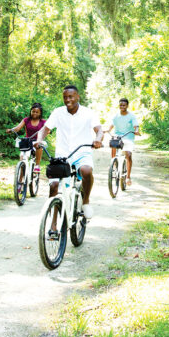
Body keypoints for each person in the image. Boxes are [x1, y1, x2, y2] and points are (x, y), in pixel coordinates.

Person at [37, 85, 103, 233]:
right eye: (65, 97)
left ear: (77, 97)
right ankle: (54, 224)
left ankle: (85, 201)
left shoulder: (88, 113)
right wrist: (39, 139)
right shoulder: (58, 112)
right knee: (54, 186)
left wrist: (98, 140)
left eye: (71, 97)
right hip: (62, 155)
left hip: (82, 152)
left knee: (86, 171)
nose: (68, 100)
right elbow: (45, 129)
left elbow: (99, 130)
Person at [107, 97, 140, 185]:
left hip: (128, 136)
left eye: (124, 105)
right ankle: (113, 165)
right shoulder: (116, 116)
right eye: (120, 105)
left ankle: (128, 177)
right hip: (118, 136)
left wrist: (136, 130)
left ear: (127, 106)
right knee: (113, 143)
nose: (122, 106)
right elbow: (111, 124)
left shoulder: (131, 116)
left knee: (128, 155)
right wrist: (108, 130)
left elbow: (136, 125)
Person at [7, 102, 46, 172]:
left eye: (37, 112)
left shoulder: (43, 122)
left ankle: (37, 165)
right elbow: (17, 128)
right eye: (33, 111)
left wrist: (43, 136)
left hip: (37, 140)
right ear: (30, 111)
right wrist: (11, 130)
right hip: (27, 141)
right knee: (22, 158)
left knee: (39, 145)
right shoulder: (26, 120)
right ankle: (20, 180)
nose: (35, 113)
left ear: (40, 113)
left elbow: (47, 130)